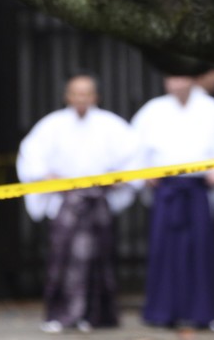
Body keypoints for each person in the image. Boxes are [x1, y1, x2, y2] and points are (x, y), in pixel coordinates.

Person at [16, 72, 140, 334]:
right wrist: (48, 177)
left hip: (98, 203)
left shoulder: (112, 125)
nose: (81, 98)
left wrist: (115, 180)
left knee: (98, 259)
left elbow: (133, 161)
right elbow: (31, 159)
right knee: (61, 259)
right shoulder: (51, 125)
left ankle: (95, 315)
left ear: (95, 97)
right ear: (67, 96)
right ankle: (59, 315)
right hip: (67, 203)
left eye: (87, 93)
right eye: (76, 93)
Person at [130, 71, 214, 331]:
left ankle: (202, 312)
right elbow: (132, 149)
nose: (177, 83)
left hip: (197, 191)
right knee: (164, 251)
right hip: (167, 192)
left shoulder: (212, 110)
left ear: (193, 80)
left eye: (182, 77)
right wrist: (143, 171)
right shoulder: (153, 111)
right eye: (172, 78)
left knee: (200, 252)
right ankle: (161, 311)